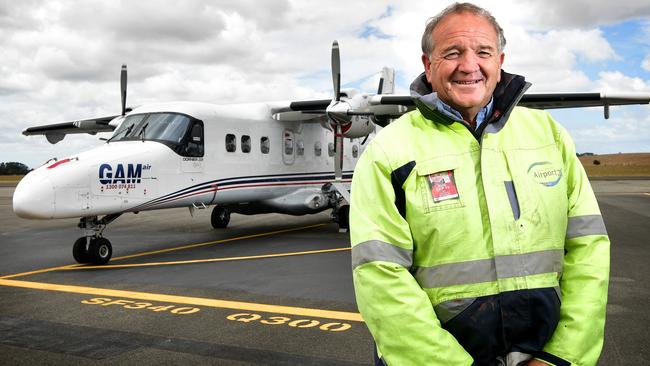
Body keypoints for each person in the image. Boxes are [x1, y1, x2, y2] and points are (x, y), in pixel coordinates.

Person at [349, 3, 610, 366]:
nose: (469, 65)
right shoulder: (387, 151)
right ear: (428, 64)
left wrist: (563, 356)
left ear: (500, 60)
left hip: (545, 354)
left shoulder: (549, 135)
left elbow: (589, 249)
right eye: (452, 53)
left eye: (483, 52)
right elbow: (380, 275)